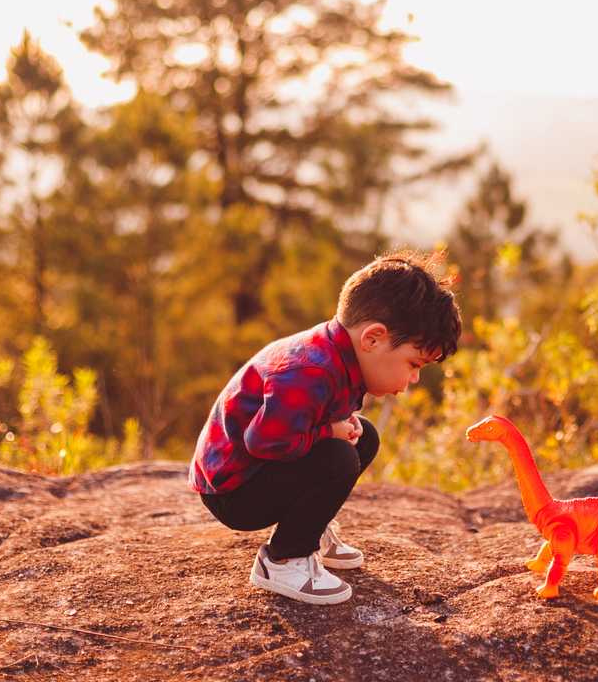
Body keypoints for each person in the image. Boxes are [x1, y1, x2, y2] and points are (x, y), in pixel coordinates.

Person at [189, 251, 462, 604]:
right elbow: (264, 442)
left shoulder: (340, 354)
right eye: (414, 364)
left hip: (257, 469)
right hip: (234, 490)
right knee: (338, 457)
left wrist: (338, 426)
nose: (413, 379)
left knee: (362, 437)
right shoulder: (310, 371)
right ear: (373, 339)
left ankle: (308, 529)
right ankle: (283, 560)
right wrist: (328, 433)